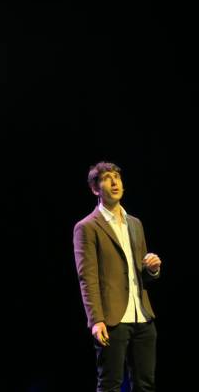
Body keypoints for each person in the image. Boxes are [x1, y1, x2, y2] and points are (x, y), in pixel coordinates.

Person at [73, 162, 162, 391]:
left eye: (117, 177)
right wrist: (96, 320)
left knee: (145, 384)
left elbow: (141, 273)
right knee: (110, 384)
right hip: (112, 319)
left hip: (142, 316)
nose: (114, 182)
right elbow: (87, 278)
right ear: (95, 189)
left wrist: (152, 269)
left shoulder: (135, 223)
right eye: (106, 178)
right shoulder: (87, 227)